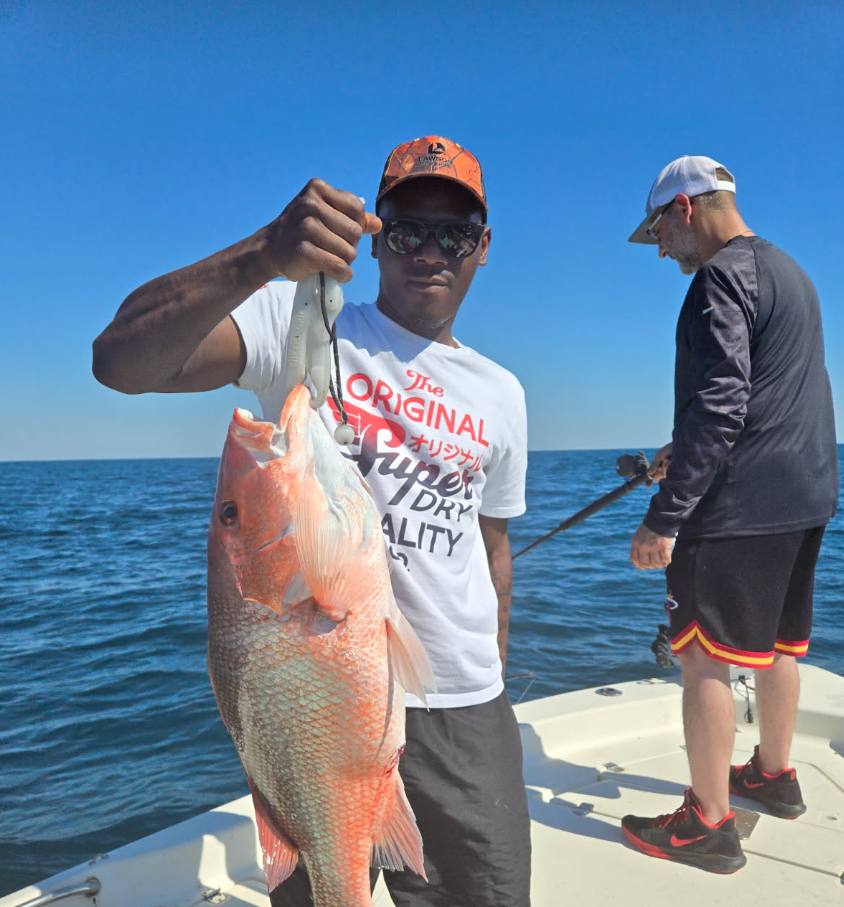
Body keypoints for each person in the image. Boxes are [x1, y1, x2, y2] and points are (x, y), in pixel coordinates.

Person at [92, 136, 532, 906]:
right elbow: (120, 362)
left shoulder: (504, 394)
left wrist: (491, 665)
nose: (430, 249)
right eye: (406, 228)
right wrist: (260, 254)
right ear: (375, 232)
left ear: (483, 247)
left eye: (454, 232)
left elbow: (492, 542)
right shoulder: (302, 323)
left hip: (464, 705)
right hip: (322, 700)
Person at [622, 155, 838, 873]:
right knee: (780, 646)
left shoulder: (719, 277)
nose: (658, 249)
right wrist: (680, 448)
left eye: (657, 230)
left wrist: (665, 515)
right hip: (805, 497)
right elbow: (764, 393)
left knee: (700, 655)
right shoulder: (790, 272)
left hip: (738, 507)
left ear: (685, 208)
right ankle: (773, 776)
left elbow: (722, 401)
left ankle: (708, 822)